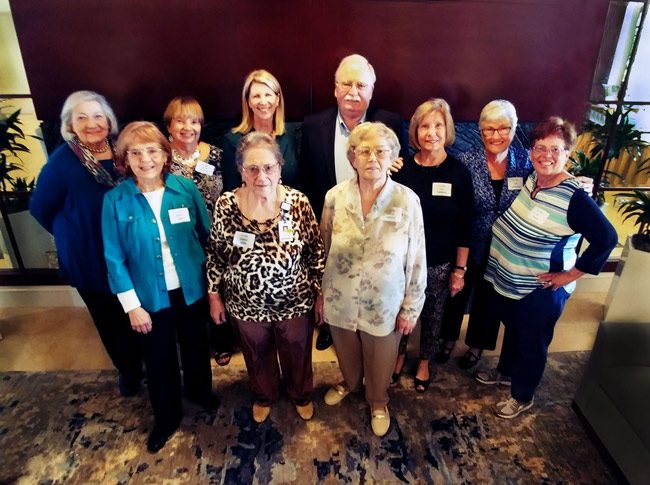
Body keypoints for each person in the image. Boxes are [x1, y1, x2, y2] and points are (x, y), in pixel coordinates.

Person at [476, 116, 616, 419]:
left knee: (533, 342)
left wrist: (569, 275)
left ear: (568, 153)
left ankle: (522, 395)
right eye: (540, 148)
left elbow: (607, 238)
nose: (546, 156)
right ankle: (506, 373)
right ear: (530, 151)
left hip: (542, 287)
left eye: (555, 149)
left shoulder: (575, 197)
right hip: (514, 280)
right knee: (515, 330)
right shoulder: (532, 179)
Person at [102, 122, 216, 452]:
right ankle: (166, 417)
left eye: (152, 150)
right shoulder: (115, 201)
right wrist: (132, 306)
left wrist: (213, 289)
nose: (145, 159)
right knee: (159, 357)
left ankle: (200, 391)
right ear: (124, 159)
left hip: (191, 287)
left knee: (196, 345)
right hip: (149, 296)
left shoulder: (185, 188)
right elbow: (113, 259)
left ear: (165, 155)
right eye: (135, 153)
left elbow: (207, 235)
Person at [206, 132, 325, 424]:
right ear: (241, 170)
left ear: (280, 168)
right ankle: (264, 395)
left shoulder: (297, 202)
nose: (262, 176)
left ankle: (301, 394)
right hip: (244, 303)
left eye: (269, 167)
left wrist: (320, 294)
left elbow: (315, 250)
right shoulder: (226, 205)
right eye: (253, 168)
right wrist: (213, 295)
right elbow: (216, 253)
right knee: (256, 353)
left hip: (295, 299)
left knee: (297, 351)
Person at [30, 90, 143, 397]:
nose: (92, 123)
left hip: (130, 252)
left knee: (136, 310)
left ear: (109, 120)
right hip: (89, 257)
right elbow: (39, 208)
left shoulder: (123, 152)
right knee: (110, 320)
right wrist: (73, 234)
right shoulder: (63, 161)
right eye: (82, 117)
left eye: (98, 116)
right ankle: (129, 372)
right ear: (70, 124)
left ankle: (143, 362)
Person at [317, 122, 426, 437]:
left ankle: (378, 400)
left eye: (381, 151)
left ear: (392, 156)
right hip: (340, 298)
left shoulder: (407, 201)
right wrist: (320, 294)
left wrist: (410, 308)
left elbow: (417, 258)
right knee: (347, 353)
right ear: (353, 157)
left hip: (384, 303)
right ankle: (350, 383)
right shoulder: (335, 197)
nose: (372, 159)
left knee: (380, 359)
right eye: (364, 151)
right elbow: (323, 248)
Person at [301, 53, 409, 350]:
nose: (353, 91)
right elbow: (308, 177)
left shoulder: (390, 122)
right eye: (346, 83)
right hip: (333, 220)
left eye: (361, 85)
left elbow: (402, 168)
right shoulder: (313, 125)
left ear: (372, 90)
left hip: (376, 224)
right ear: (335, 88)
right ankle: (332, 326)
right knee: (336, 275)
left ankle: (369, 329)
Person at [436, 100, 534, 369]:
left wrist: (579, 181)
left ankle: (477, 345)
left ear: (514, 129)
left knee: (489, 298)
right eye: (488, 130)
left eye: (503, 129)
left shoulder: (526, 161)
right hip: (468, 240)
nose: (495, 136)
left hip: (506, 246)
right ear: (480, 132)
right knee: (456, 293)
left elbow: (551, 177)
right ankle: (446, 339)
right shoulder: (465, 162)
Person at [391, 99, 474, 392]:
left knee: (433, 313)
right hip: (401, 260)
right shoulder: (401, 170)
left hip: (440, 260)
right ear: (415, 131)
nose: (431, 133)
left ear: (447, 129)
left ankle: (425, 360)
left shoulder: (459, 173)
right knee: (400, 309)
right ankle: (398, 353)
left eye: (438, 125)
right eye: (424, 126)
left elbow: (466, 225)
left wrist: (460, 270)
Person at [164, 96, 233, 366]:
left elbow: (229, 190)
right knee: (189, 289)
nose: (187, 127)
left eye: (193, 121)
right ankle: (194, 342)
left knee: (219, 286)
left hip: (216, 232)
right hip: (181, 236)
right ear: (168, 126)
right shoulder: (160, 158)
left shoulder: (215, 154)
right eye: (180, 120)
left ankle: (222, 339)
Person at [221, 69, 299, 191]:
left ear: (277, 99)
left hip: (288, 206)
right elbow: (231, 190)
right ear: (248, 102)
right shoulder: (233, 141)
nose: (263, 102)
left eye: (268, 95)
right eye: (256, 96)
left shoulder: (292, 133)